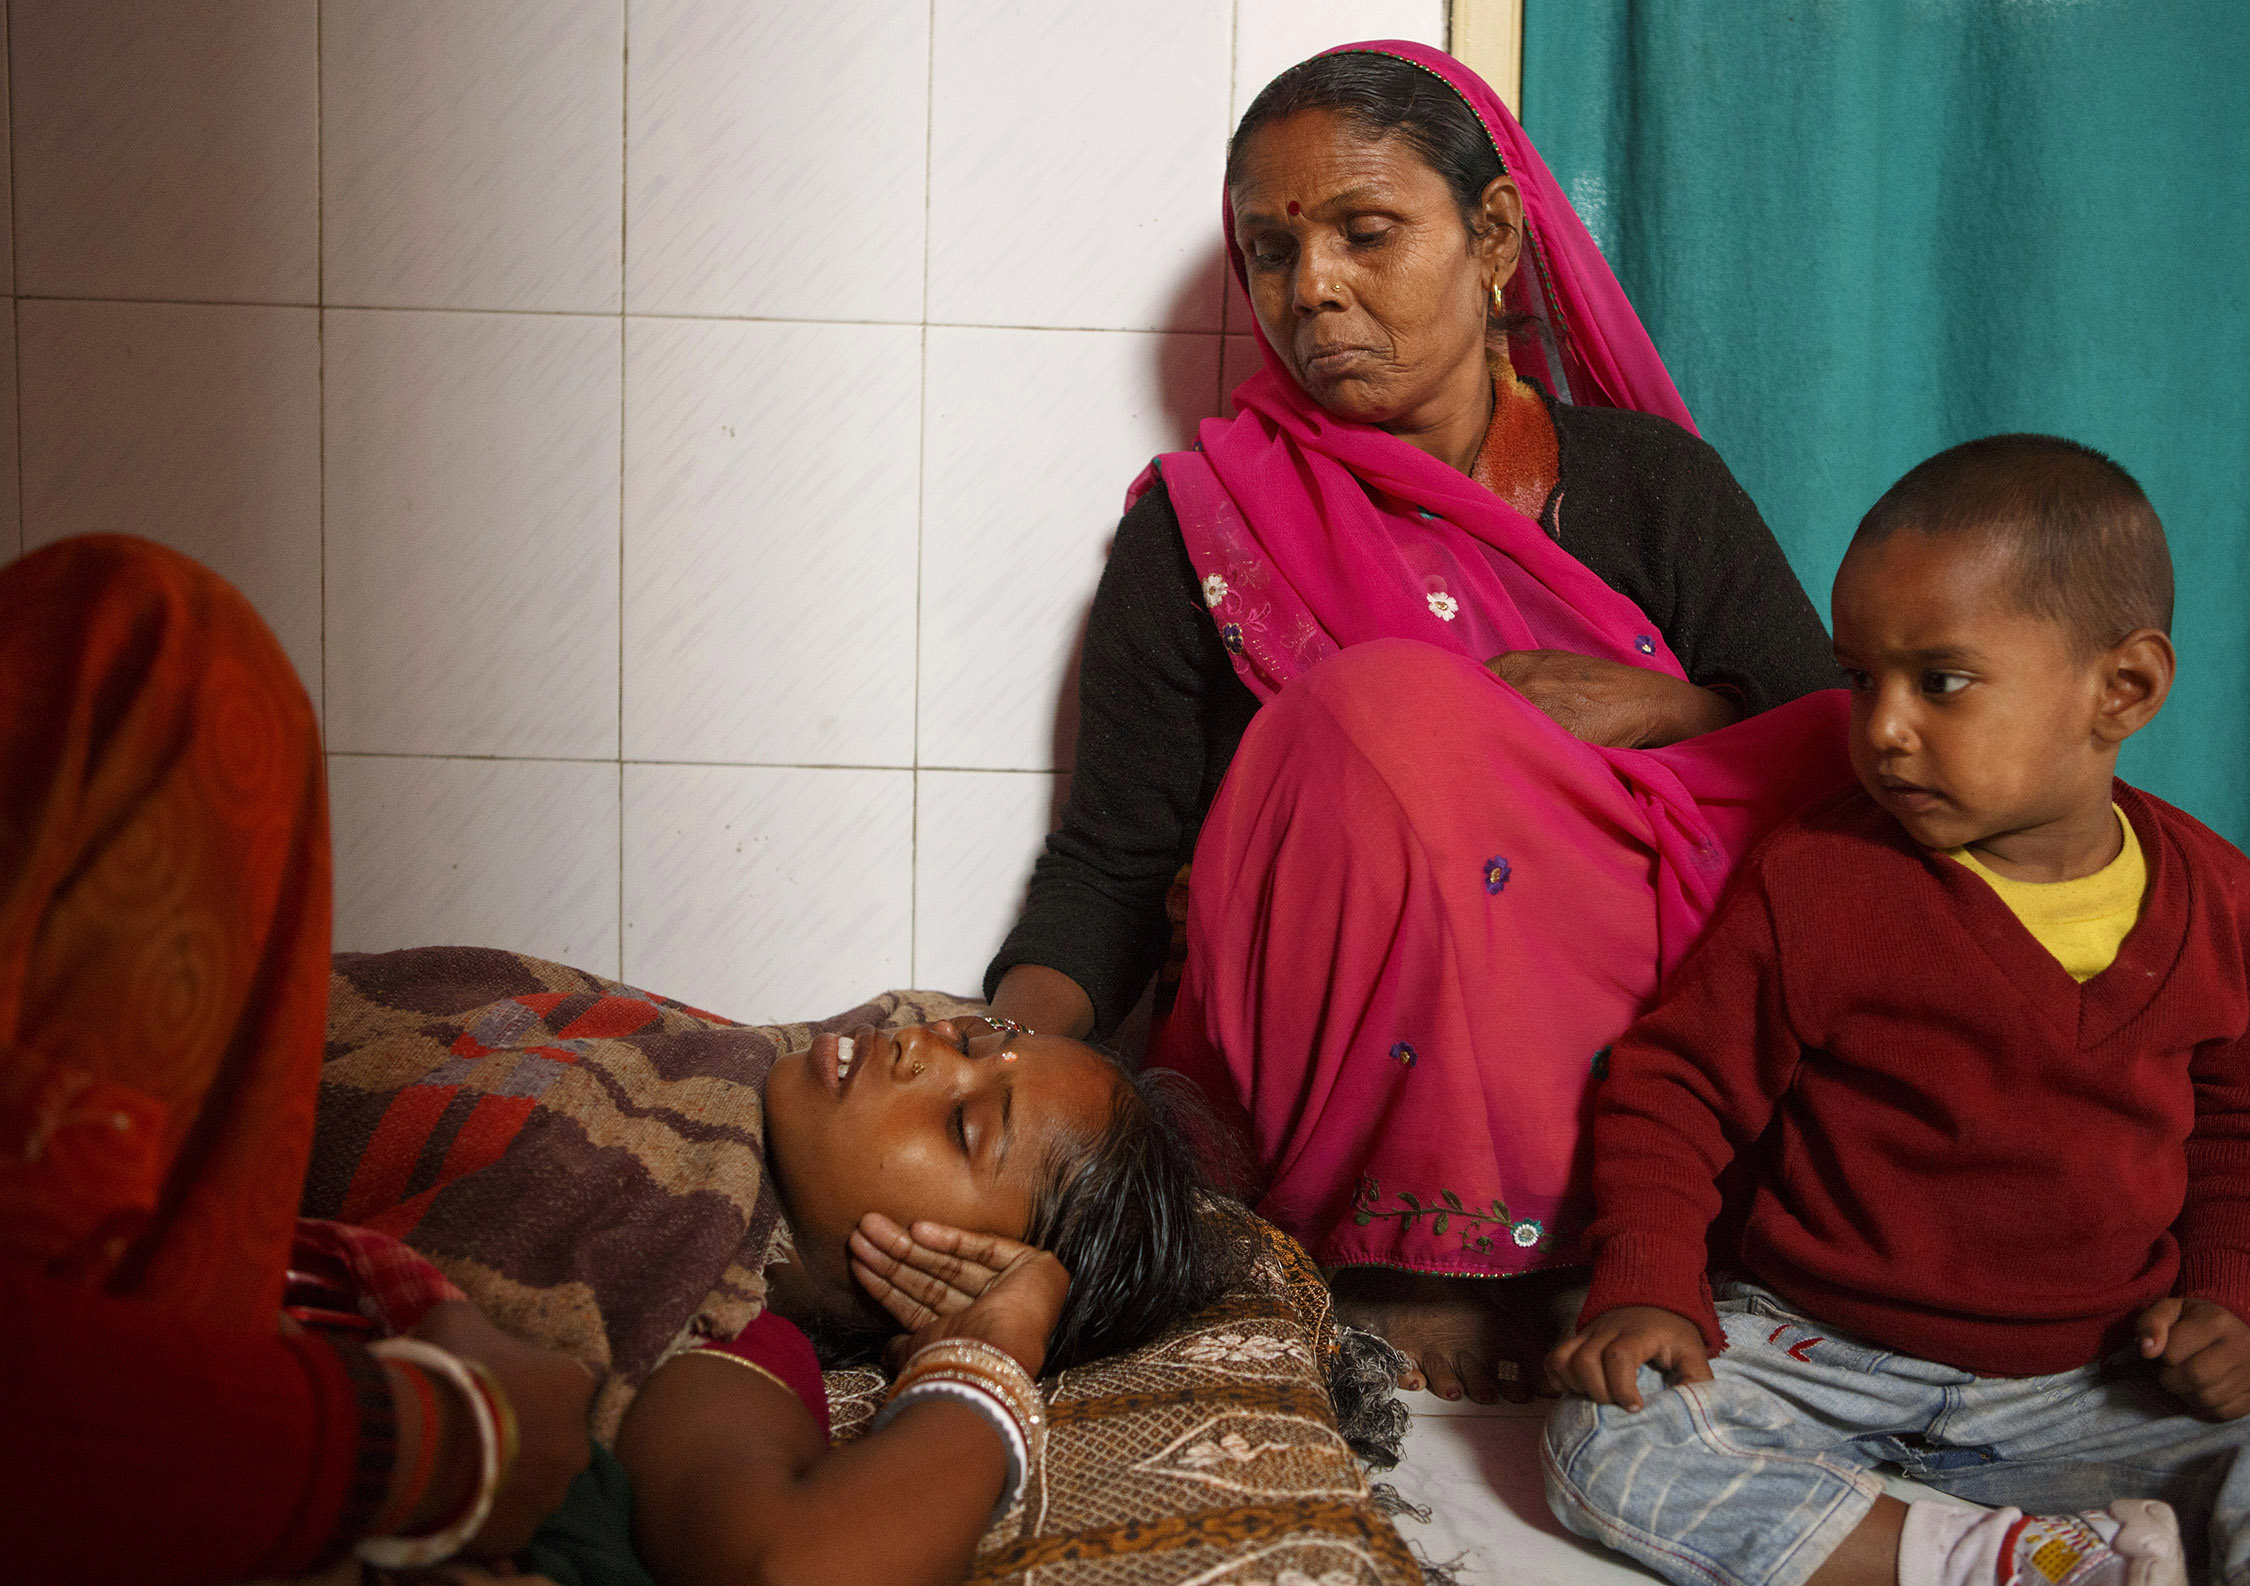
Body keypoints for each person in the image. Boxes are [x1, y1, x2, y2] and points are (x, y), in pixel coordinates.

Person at [0, 535, 1224, 1586]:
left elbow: (788, 1562)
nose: (924, 1052)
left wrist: (991, 1350)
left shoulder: (721, 1307)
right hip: (111, 1113)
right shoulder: (705, 1051)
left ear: (945, 1274)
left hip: (135, 1276)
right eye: (969, 1037)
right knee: (146, 637)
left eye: (966, 1125)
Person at [985, 40, 1851, 1401]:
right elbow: (1107, 858)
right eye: (1271, 251)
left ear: (1494, 234)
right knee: (1377, 713)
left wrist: (1686, 708)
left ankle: (1589, 1227)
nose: (1310, 286)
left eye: (1364, 231)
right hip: (1323, 1067)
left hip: (1636, 1054)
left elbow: (1839, 753)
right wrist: (1005, 1051)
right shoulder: (1203, 526)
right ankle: (1401, 1246)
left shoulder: (1651, 488)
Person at [1542, 436, 2250, 1586]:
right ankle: (2018, 1561)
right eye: (1861, 679)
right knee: (1610, 1438)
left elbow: (2247, 1138)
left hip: (2085, 1377)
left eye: (1939, 680)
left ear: (2123, 689)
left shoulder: (2220, 901)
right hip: (1814, 1347)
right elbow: (1675, 1090)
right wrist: (1650, 1282)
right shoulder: (1820, 878)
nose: (1884, 728)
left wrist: (2232, 1305)